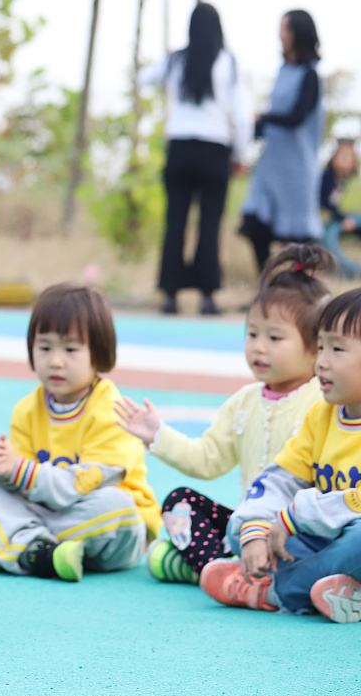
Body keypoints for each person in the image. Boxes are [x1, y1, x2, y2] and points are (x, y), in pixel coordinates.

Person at [116, 244, 329, 583]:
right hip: (248, 529)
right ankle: (224, 567)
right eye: (252, 333)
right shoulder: (244, 402)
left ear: (316, 348)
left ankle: (217, 569)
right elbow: (208, 459)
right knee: (178, 503)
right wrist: (158, 435)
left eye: (275, 337)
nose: (259, 346)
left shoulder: (324, 402)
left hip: (298, 530)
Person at [0, 284, 161, 581]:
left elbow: (77, 487)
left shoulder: (112, 411)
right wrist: (2, 467)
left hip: (108, 526)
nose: (56, 361)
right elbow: (23, 484)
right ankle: (40, 551)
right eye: (45, 348)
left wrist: (20, 470)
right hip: (52, 513)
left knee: (116, 506)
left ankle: (15, 543)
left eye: (70, 349)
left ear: (99, 354)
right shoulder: (27, 409)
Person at [199, 287, 361, 622]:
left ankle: (270, 590)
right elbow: (280, 479)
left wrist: (297, 514)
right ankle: (339, 590)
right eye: (320, 347)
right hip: (327, 542)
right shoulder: (322, 416)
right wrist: (257, 528)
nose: (322, 362)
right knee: (244, 526)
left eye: (337, 349)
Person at [139, 3, 252, 316]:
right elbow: (242, 116)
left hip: (180, 147)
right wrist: (240, 154)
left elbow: (144, 77)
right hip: (215, 149)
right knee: (209, 222)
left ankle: (170, 295)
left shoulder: (176, 60)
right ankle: (206, 296)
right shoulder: (227, 62)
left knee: (175, 222)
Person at [240, 10, 325, 273]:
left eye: (284, 29)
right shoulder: (282, 71)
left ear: (297, 34)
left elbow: (296, 116)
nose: (280, 34)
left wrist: (263, 118)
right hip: (271, 165)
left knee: (298, 241)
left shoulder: (310, 76)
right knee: (256, 225)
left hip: (296, 170)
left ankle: (300, 295)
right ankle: (268, 288)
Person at [320, 138, 358, 234]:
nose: (345, 160)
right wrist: (343, 218)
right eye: (343, 156)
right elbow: (326, 204)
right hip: (324, 218)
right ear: (333, 158)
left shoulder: (343, 180)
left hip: (338, 215)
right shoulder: (327, 177)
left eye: (349, 157)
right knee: (330, 233)